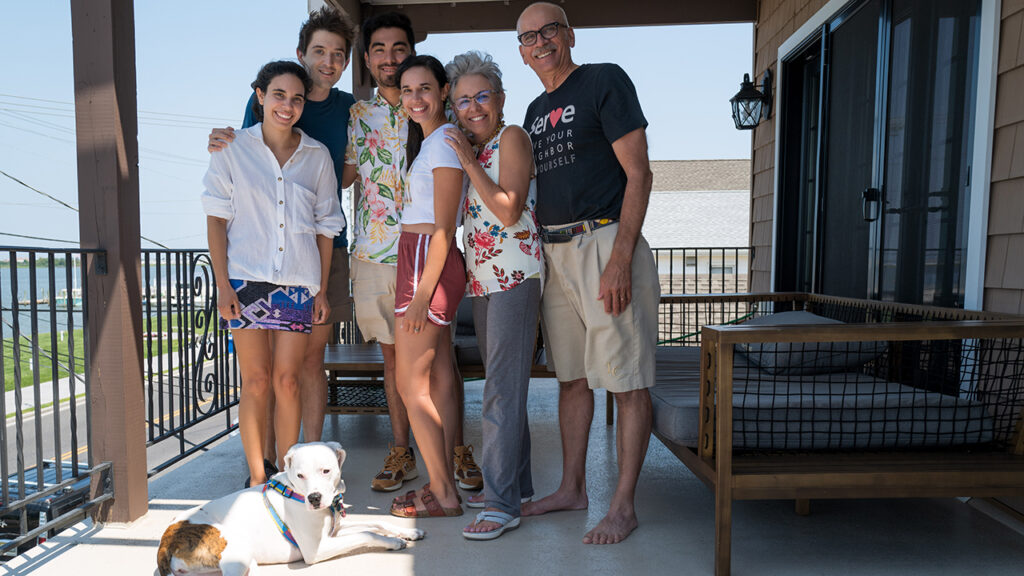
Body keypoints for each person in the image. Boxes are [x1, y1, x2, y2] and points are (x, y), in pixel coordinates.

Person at [515, 2, 659, 545]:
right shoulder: (533, 111)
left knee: (625, 379)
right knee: (571, 378)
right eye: (528, 37)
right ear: (523, 53)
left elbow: (639, 173)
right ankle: (572, 488)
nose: (540, 42)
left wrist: (620, 257)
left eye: (549, 29)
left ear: (569, 34)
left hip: (603, 243)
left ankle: (622, 504)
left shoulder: (604, 81)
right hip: (553, 253)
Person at [207, 7, 357, 474]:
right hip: (247, 275)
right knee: (255, 381)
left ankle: (296, 470)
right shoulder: (235, 147)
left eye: (338, 53)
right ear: (261, 97)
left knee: (292, 377)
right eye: (278, 96)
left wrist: (315, 288)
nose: (287, 104)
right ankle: (258, 475)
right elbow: (218, 214)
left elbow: (327, 221)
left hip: (300, 274)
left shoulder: (324, 147)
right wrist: (222, 285)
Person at [341, 12, 481, 494]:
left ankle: (451, 457)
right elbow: (338, 172)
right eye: (378, 49)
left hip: (426, 253)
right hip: (377, 252)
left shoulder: (435, 118)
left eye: (398, 48)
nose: (389, 58)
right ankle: (405, 453)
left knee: (436, 363)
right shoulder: (358, 115)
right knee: (397, 366)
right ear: (366, 59)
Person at [442, 51, 542, 540]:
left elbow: (508, 210)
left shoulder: (511, 138)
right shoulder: (477, 149)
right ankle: (516, 487)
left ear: (500, 100)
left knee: (500, 391)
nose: (473, 107)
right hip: (485, 281)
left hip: (515, 277)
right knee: (504, 386)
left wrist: (464, 158)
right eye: (463, 100)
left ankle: (502, 504)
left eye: (482, 96)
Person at [387, 54, 466, 519]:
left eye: (424, 89)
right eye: (408, 90)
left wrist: (419, 295)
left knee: (409, 385)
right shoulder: (432, 141)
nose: (415, 98)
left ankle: (443, 493)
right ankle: (445, 484)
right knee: (432, 383)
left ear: (441, 91)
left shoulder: (441, 145)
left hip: (424, 263)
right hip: (418, 260)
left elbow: (442, 229)